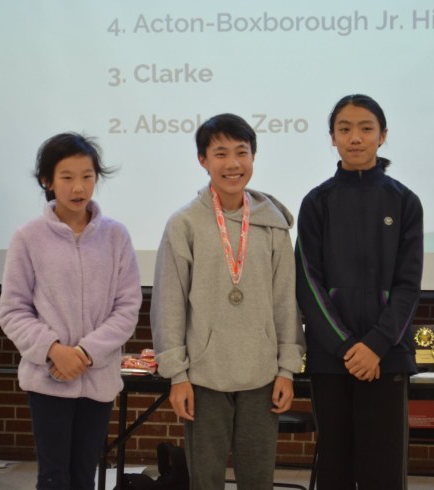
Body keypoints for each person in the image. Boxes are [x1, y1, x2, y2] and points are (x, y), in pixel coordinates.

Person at [151, 113, 306, 490]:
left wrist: (287, 369)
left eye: (242, 152)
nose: (233, 163)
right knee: (205, 480)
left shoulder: (272, 223)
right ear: (203, 160)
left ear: (253, 156)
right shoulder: (184, 223)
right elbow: (169, 303)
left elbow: (286, 300)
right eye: (221, 154)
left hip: (262, 374)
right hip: (204, 376)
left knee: (258, 479)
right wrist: (177, 376)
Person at [0, 132, 142, 490]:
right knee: (53, 477)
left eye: (87, 176)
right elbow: (13, 310)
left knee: (83, 477)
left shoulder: (116, 236)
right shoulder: (28, 237)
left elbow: (127, 308)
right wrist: (53, 350)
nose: (79, 187)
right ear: (47, 180)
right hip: (48, 379)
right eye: (67, 177)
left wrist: (85, 353)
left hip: (98, 378)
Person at [295, 94, 424, 489]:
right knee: (335, 469)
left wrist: (376, 345)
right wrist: (347, 346)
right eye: (345, 129)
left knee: (383, 472)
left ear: (382, 136)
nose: (355, 138)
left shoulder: (404, 202)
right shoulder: (317, 202)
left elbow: (408, 284)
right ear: (332, 137)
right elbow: (307, 282)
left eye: (366, 129)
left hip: (387, 357)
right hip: (331, 359)